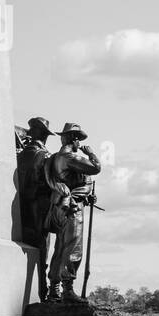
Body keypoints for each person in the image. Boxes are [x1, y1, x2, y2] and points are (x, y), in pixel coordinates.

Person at [45, 123, 101, 303]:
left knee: (61, 247)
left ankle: (54, 289)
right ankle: (68, 289)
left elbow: (74, 182)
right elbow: (95, 167)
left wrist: (86, 195)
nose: (80, 142)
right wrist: (91, 153)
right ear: (74, 139)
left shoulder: (55, 158)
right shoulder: (69, 157)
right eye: (78, 139)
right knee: (73, 246)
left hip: (60, 207)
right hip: (71, 208)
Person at [16, 117, 55, 303]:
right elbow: (37, 182)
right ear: (42, 134)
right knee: (43, 249)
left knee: (41, 249)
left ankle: (44, 291)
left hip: (29, 206)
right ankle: (43, 292)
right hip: (39, 206)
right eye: (45, 134)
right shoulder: (40, 153)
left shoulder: (25, 153)